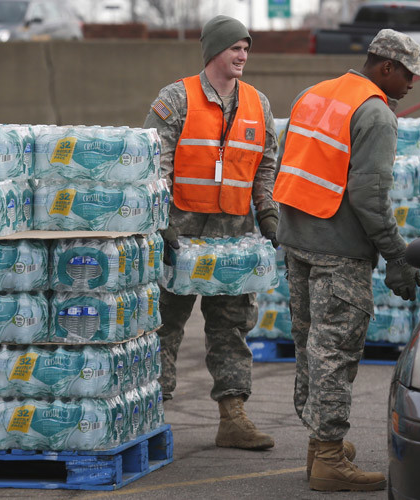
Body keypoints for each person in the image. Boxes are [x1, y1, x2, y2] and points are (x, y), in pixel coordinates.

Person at [272, 29, 420, 491]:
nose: (412, 84)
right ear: (386, 67)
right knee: (335, 354)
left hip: (298, 242)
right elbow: (370, 196)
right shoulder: (375, 113)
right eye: (408, 74)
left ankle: (320, 442)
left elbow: (289, 163)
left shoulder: (313, 95)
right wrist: (397, 256)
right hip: (339, 252)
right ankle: (328, 457)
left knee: (310, 349)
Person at [143, 15, 279, 450]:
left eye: (246, 48)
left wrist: (269, 214)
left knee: (231, 328)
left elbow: (266, 166)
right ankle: (149, 414)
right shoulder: (176, 98)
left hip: (233, 237)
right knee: (163, 325)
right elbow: (153, 162)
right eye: (234, 48)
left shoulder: (259, 104)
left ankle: (233, 416)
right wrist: (159, 221)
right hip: (179, 237)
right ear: (213, 53)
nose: (242, 55)